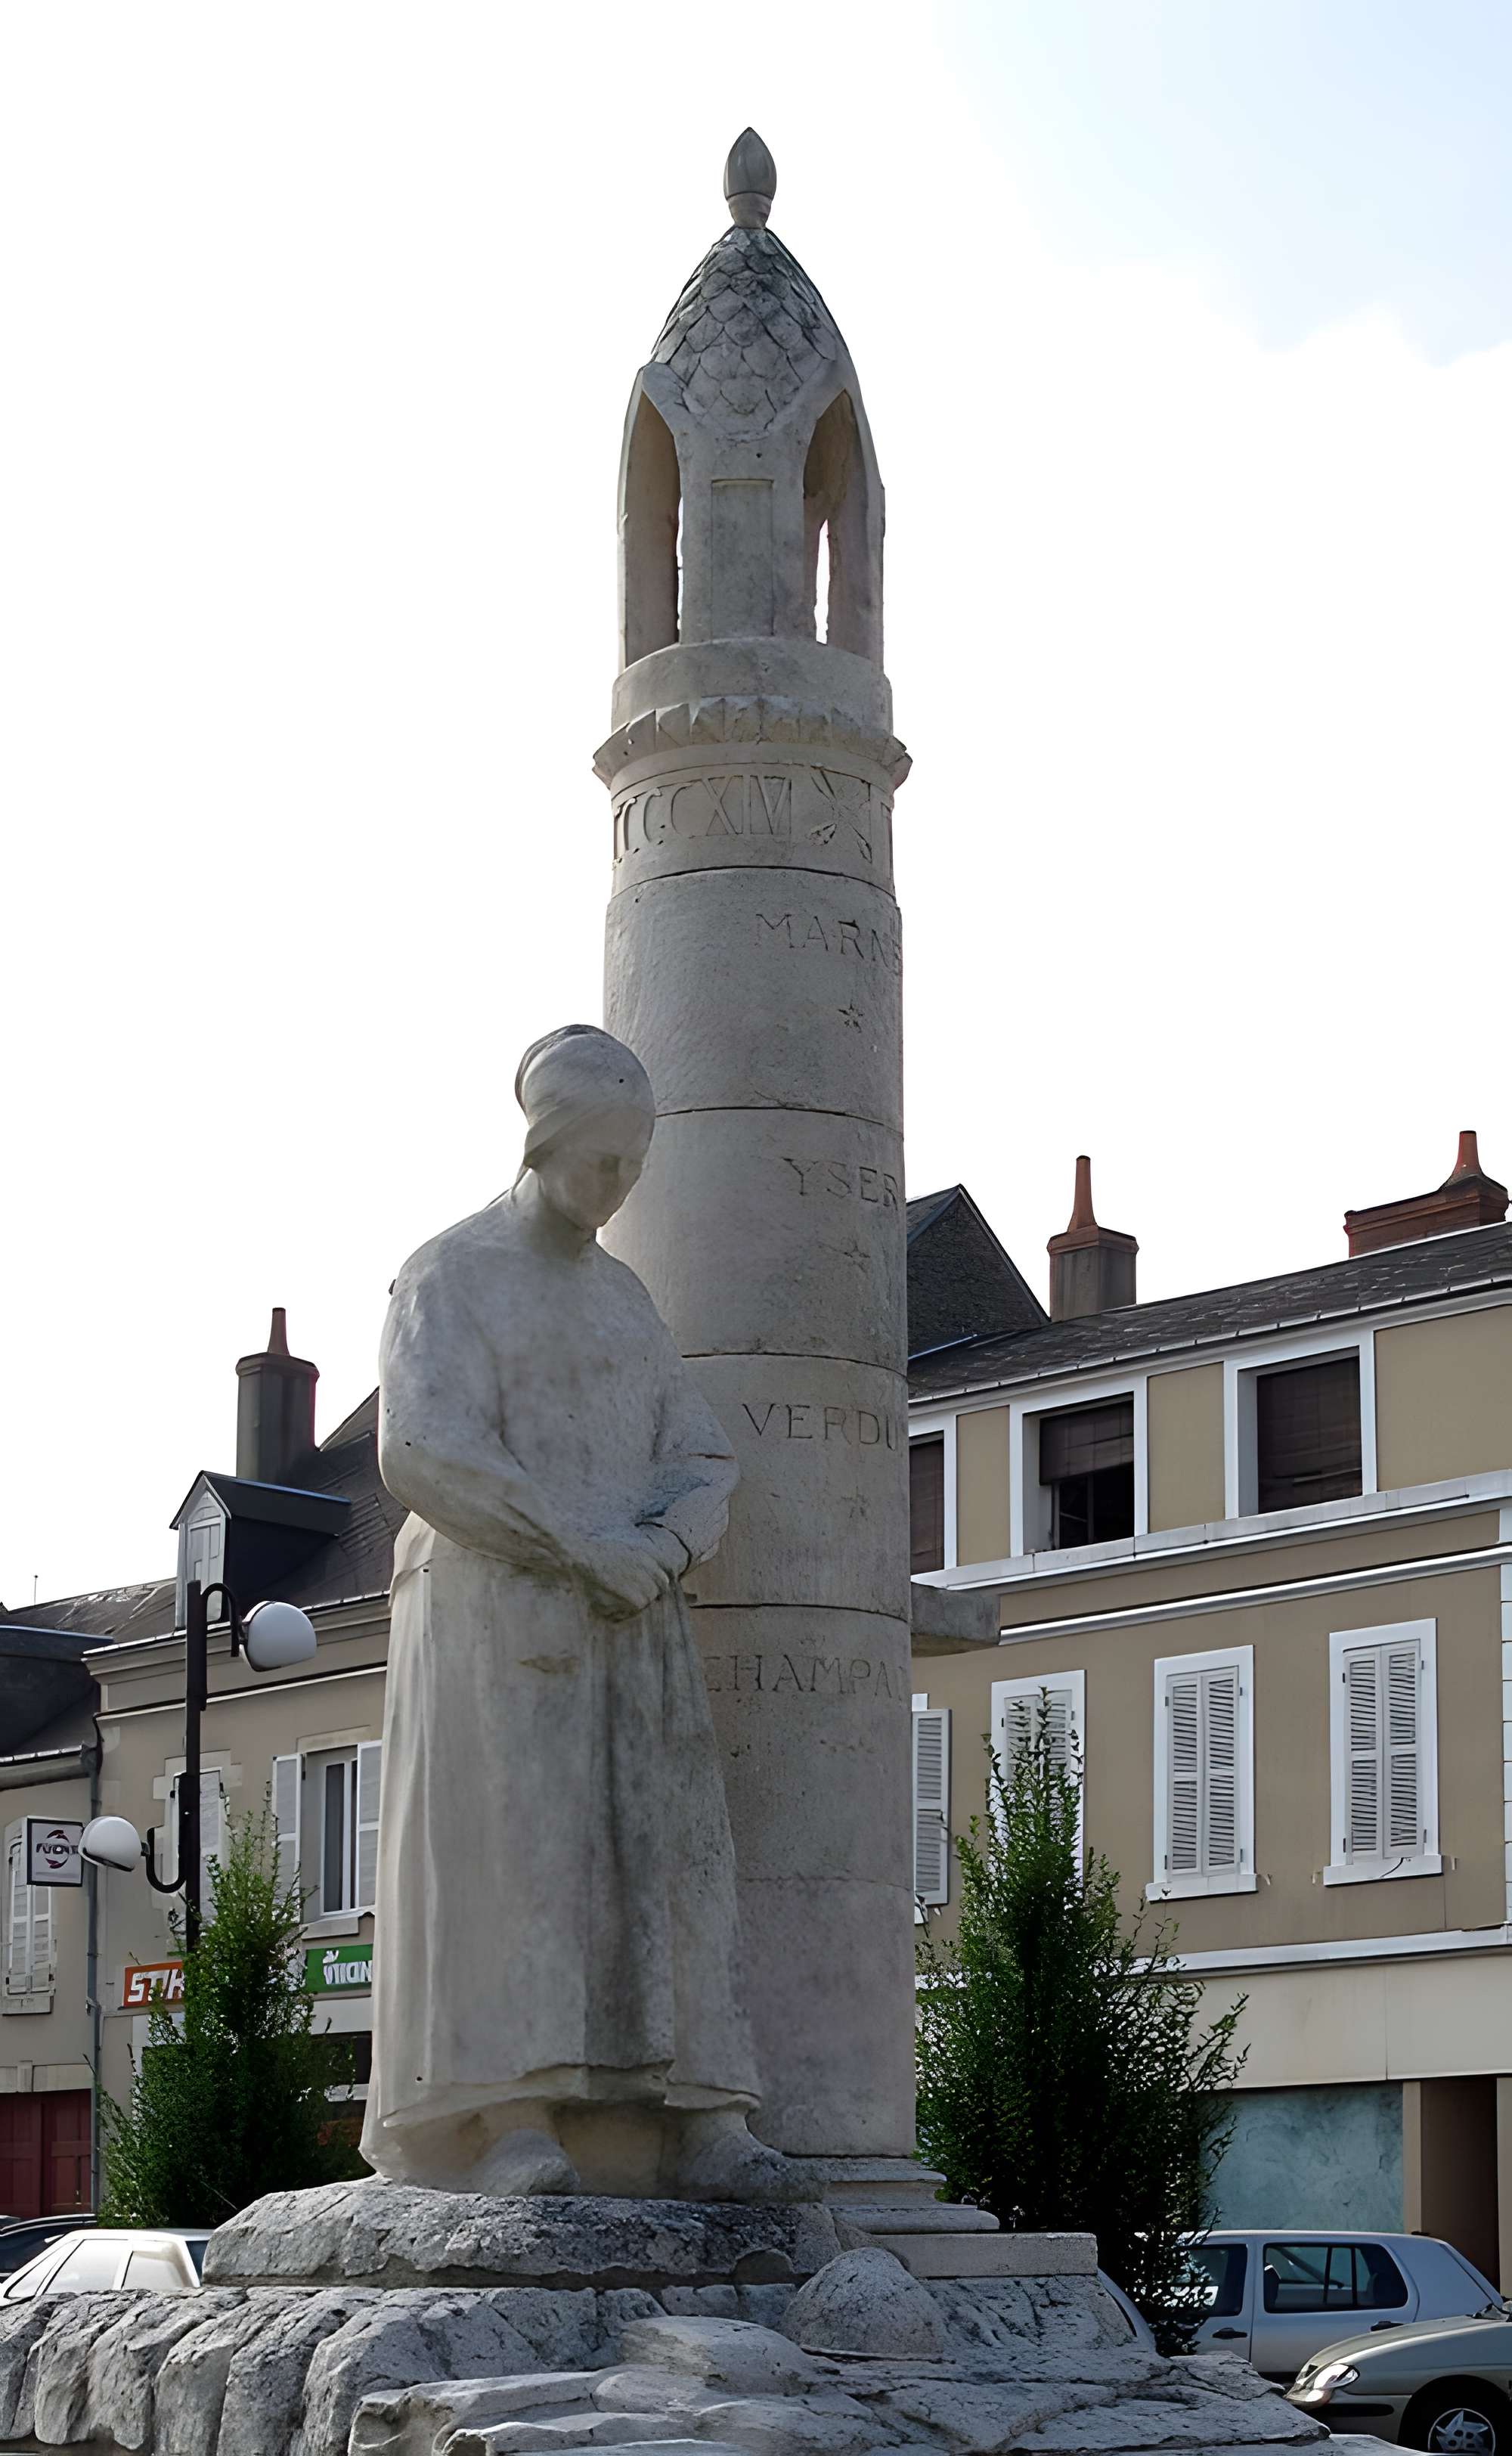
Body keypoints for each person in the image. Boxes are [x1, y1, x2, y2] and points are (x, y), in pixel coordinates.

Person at [361, 1025, 797, 2201]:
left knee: (671, 1861)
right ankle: (511, 2117)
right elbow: (423, 1447)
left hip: (629, 1611)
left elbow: (698, 1453)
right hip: (497, 1609)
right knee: (514, 1862)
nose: (617, 1185)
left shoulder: (623, 1299)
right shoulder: (450, 1274)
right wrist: (573, 1549)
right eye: (602, 1160)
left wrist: (660, 1546)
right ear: (543, 1144)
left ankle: (701, 2117)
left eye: (634, 1164)